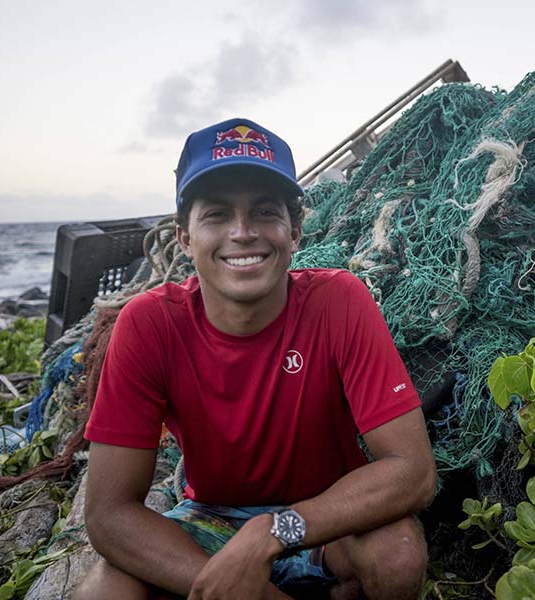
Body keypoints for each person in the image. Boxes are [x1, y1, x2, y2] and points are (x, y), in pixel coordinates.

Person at [75, 117, 437, 599]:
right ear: (185, 237)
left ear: (295, 231)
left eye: (265, 211)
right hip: (212, 517)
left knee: (398, 554)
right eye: (218, 215)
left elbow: (413, 471)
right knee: (104, 592)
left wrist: (272, 530)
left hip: (324, 519)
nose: (243, 232)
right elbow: (109, 514)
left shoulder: (339, 301)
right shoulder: (149, 324)